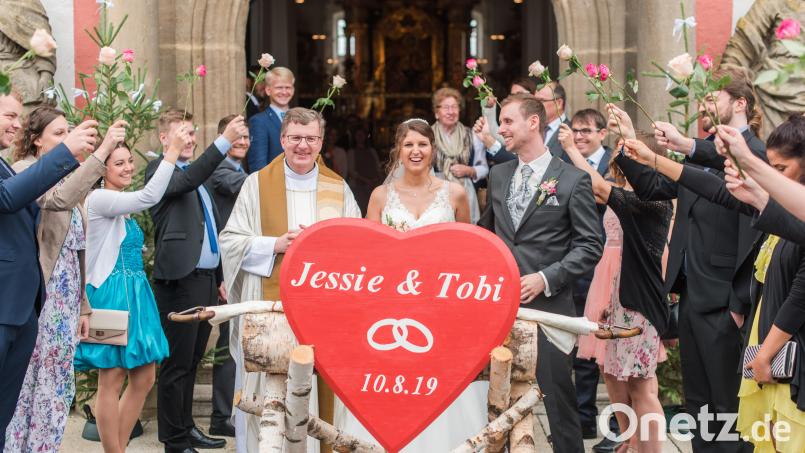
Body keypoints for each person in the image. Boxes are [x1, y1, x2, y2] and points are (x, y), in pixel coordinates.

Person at [622, 114, 805, 452]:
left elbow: (799, 296)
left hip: (782, 347)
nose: (773, 176)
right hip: (755, 332)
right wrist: (654, 159)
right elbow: (717, 191)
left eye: (781, 169)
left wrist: (764, 352)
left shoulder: (793, 221)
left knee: (741, 419)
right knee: (704, 406)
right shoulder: (778, 211)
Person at [608, 90, 764, 452]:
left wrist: (738, 302)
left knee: (727, 405)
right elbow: (652, 186)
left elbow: (752, 234)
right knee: (698, 403)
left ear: (740, 102)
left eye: (713, 97)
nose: (703, 105)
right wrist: (628, 139)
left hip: (726, 300)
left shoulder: (753, 153)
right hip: (692, 294)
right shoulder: (702, 154)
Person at [219, 107, 361, 453]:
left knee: (317, 392)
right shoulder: (256, 184)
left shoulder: (338, 188)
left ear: (321, 142)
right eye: (296, 138)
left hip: (322, 310)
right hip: (271, 305)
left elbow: (357, 248)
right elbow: (230, 240)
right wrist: (275, 245)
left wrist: (325, 248)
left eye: (311, 138)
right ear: (282, 140)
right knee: (268, 395)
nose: (303, 146)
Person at [478, 93, 603, 453]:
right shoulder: (499, 175)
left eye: (507, 121)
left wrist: (546, 277)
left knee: (559, 403)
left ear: (533, 122)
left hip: (548, 311)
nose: (501, 129)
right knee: (497, 402)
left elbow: (590, 245)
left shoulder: (572, 179)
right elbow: (487, 234)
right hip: (500, 309)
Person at [4, 108, 122, 451]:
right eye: (58, 134)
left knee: (56, 383)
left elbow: (77, 251)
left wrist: (83, 306)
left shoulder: (66, 177)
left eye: (67, 132)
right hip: (41, 297)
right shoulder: (24, 171)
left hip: (67, 302)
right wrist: (102, 151)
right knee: (32, 384)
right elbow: (60, 198)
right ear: (36, 140)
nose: (67, 139)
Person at [354, 118, 474, 450]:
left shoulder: (455, 194)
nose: (415, 151)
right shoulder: (380, 196)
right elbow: (369, 257)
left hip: (442, 307)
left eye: (422, 144)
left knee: (438, 382)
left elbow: (468, 254)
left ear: (433, 149)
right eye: (408, 144)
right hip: (393, 308)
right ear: (398, 150)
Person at [73, 128, 189, 453]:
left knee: (145, 377)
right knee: (111, 378)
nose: (128, 168)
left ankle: (119, 447)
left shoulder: (118, 205)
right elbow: (148, 197)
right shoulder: (99, 198)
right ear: (103, 169)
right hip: (111, 296)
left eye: (129, 161)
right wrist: (172, 152)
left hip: (136, 296)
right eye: (119, 163)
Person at [562, 127, 672, 453]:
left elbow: (596, 184)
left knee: (641, 383)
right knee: (611, 373)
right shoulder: (624, 191)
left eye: (627, 151)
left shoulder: (651, 199)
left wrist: (570, 147)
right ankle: (629, 440)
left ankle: (649, 449)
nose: (619, 156)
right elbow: (596, 188)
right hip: (612, 293)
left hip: (639, 297)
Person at [147, 110, 248, 453]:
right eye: (182, 133)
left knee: (192, 361)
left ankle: (187, 427)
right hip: (180, 280)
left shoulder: (196, 177)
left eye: (192, 133)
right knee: (176, 364)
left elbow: (210, 230)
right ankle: (174, 441)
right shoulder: (159, 171)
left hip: (205, 280)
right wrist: (224, 141)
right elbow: (185, 182)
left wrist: (219, 277)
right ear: (164, 138)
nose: (189, 139)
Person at [204, 114, 250, 438]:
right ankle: (221, 415)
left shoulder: (239, 169)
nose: (242, 143)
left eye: (246, 138)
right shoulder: (220, 169)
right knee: (228, 342)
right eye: (236, 137)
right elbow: (247, 187)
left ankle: (230, 412)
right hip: (224, 268)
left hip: (238, 263)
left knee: (235, 341)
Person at [431, 87, 488, 223]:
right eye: (446, 107)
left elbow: (484, 168)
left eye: (454, 107)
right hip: (435, 194)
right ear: (437, 113)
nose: (451, 112)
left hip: (465, 193)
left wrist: (470, 170)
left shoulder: (472, 135)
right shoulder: (428, 136)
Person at [247, 66, 295, 173]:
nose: (284, 92)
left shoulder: (300, 118)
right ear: (268, 90)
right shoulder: (259, 122)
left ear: (293, 90)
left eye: (288, 87)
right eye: (279, 87)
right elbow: (258, 167)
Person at [346, 127, 382, 213]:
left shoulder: (372, 150)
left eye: (362, 134)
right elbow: (351, 171)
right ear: (354, 137)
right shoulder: (351, 152)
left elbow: (378, 167)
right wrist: (366, 181)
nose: (360, 137)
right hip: (359, 188)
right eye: (358, 135)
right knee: (363, 211)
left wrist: (377, 180)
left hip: (374, 186)